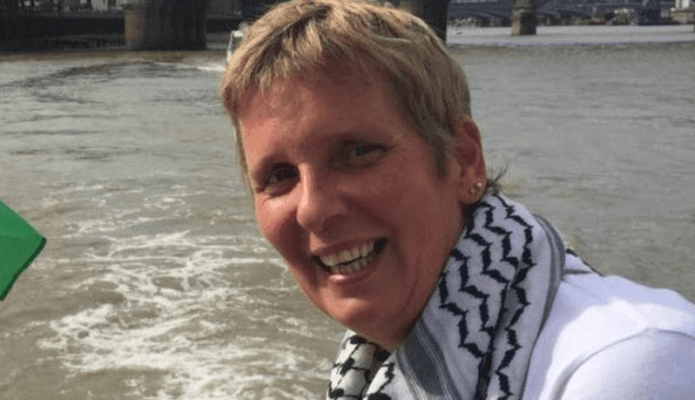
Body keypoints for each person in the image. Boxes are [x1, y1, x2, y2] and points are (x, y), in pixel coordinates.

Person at [219, 0, 695, 398]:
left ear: (465, 161)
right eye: (280, 176)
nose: (314, 209)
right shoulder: (375, 364)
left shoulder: (631, 364)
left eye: (358, 152)